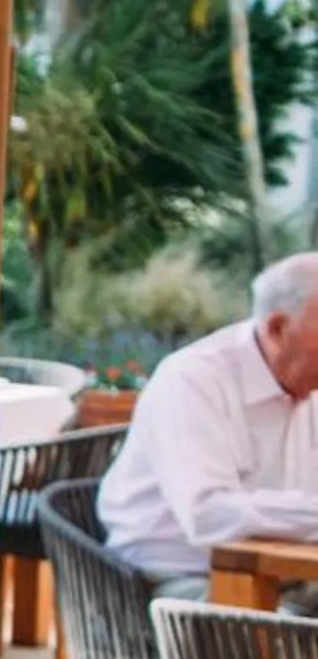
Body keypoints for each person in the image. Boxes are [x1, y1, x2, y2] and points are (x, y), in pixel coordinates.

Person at [96, 251, 318, 615]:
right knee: (283, 639)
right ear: (279, 328)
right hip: (170, 582)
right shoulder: (193, 381)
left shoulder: (307, 385)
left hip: (284, 575)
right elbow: (209, 516)